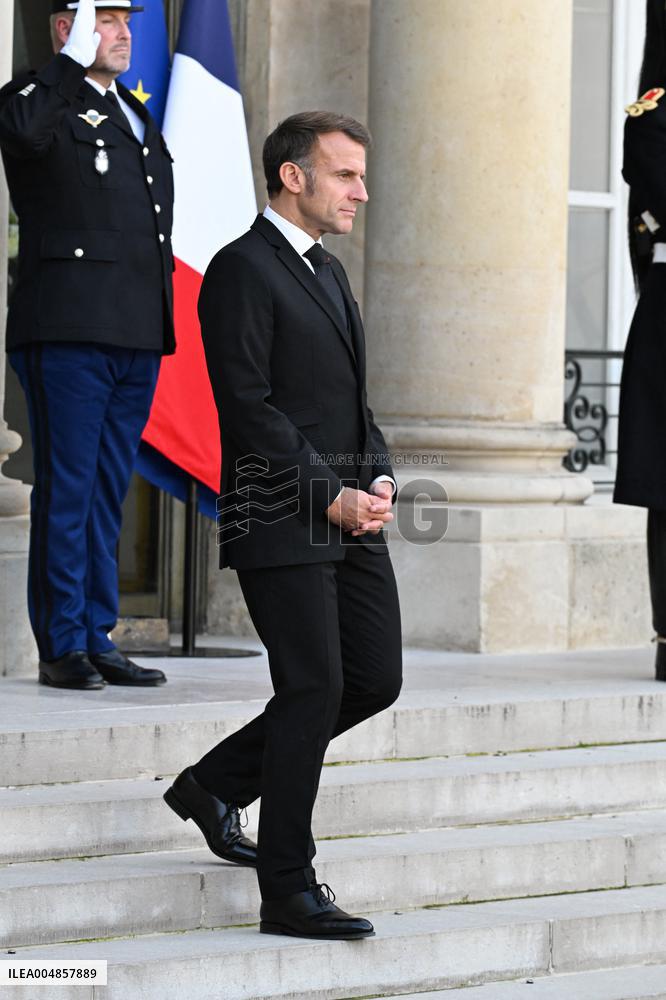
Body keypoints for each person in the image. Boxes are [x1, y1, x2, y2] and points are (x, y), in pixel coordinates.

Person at [163, 111, 403, 939]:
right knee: (313, 686)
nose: (360, 192)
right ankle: (288, 889)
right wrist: (326, 494)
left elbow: (353, 396)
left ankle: (213, 783)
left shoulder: (327, 271)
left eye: (361, 176)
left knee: (373, 677)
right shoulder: (240, 268)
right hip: (279, 513)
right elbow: (248, 405)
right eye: (345, 175)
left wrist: (375, 475)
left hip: (347, 513)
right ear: (293, 176)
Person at [0, 0, 174, 689]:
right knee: (68, 489)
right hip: (68, 327)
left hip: (133, 328)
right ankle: (62, 642)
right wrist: (68, 66)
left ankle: (98, 634)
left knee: (107, 489)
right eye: (105, 19)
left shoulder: (133, 112)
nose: (124, 32)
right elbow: (22, 133)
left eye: (126, 19)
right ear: (63, 28)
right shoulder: (35, 97)